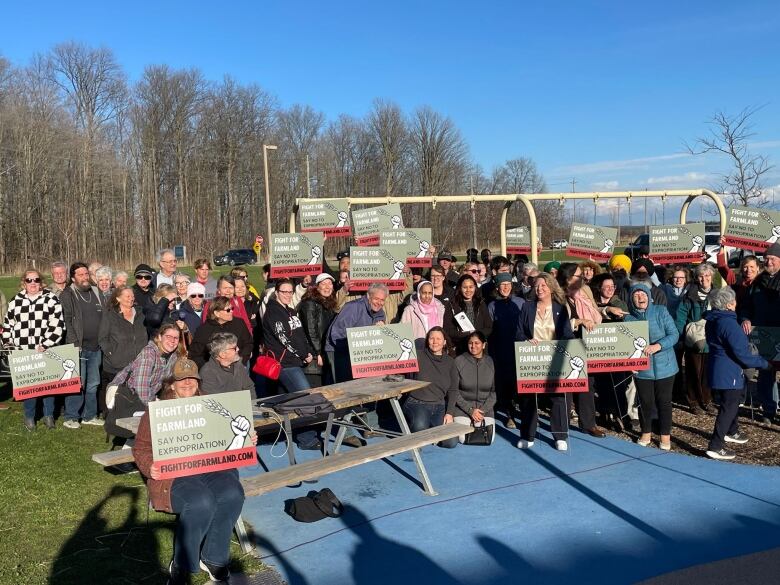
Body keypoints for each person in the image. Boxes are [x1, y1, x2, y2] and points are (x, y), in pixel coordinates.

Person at [133, 359, 250, 585]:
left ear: (198, 382)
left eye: (192, 379)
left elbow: (225, 441)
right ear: (171, 384)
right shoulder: (157, 411)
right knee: (200, 501)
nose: (187, 383)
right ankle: (182, 563)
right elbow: (141, 448)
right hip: (175, 473)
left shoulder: (209, 405)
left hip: (209, 468)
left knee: (232, 493)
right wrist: (150, 466)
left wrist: (244, 439)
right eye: (181, 379)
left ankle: (214, 558)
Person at [704, 287, 768, 460]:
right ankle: (716, 445)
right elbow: (743, 354)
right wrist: (764, 363)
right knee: (729, 406)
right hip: (730, 371)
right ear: (730, 304)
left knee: (729, 403)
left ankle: (732, 430)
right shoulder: (729, 324)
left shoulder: (713, 319)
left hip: (719, 367)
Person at [515, 272, 575, 451]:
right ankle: (527, 435)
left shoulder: (560, 308)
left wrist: (564, 343)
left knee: (558, 397)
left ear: (551, 287)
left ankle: (560, 436)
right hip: (533, 358)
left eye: (543, 286)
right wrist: (526, 340)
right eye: (537, 286)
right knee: (529, 398)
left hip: (554, 357)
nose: (540, 289)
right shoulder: (527, 307)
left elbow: (567, 334)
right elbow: (518, 332)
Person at [2, 270, 64, 430]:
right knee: (29, 388)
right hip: (24, 351)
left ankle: (49, 416)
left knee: (48, 386)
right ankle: (29, 417)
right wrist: (8, 343)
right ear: (24, 282)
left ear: (41, 281)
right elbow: (8, 324)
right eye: (29, 280)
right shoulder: (16, 301)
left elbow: (57, 325)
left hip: (45, 348)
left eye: (36, 279)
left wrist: (46, 343)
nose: (33, 283)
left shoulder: (51, 299)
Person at [262, 278, 320, 450]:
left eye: (290, 292)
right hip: (284, 364)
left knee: (287, 402)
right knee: (304, 397)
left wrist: (309, 350)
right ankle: (306, 438)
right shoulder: (273, 312)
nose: (287, 295)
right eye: (284, 292)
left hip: (295, 361)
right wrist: (302, 354)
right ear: (277, 293)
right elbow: (284, 339)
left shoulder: (290, 311)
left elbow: (300, 334)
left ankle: (281, 432)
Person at [625, 283, 679, 450]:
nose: (640, 297)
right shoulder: (628, 319)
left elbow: (674, 334)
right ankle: (646, 432)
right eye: (636, 295)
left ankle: (665, 436)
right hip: (642, 369)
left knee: (664, 402)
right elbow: (626, 345)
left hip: (666, 366)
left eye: (643, 294)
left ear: (649, 296)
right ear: (631, 299)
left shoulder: (661, 312)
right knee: (645, 402)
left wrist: (658, 346)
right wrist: (629, 363)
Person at [556, 263, 606, 438]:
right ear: (568, 278)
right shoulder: (558, 297)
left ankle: (589, 424)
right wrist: (578, 322)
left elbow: (594, 309)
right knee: (567, 386)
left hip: (587, 343)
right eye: (578, 276)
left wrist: (606, 309)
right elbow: (555, 323)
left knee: (587, 385)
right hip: (567, 344)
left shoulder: (585, 291)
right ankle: (563, 425)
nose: (583, 278)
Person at [60, 262, 107, 428]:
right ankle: (71, 417)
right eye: (80, 274)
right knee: (77, 382)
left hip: (96, 346)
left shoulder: (95, 291)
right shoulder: (68, 294)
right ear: (73, 278)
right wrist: (74, 344)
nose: (85, 277)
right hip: (78, 347)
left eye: (86, 274)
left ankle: (90, 415)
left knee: (93, 383)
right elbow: (66, 320)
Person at [741, 242, 780, 425]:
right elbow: (745, 306)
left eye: (772, 258)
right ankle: (768, 410)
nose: (768, 261)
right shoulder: (757, 282)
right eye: (766, 258)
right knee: (765, 373)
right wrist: (746, 318)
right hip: (763, 335)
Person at [403, 327, 458, 448]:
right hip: (417, 403)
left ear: (444, 342)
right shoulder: (417, 355)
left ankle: (431, 429)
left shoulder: (450, 362)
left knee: (451, 442)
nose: (435, 341)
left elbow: (453, 390)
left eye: (438, 338)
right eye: (431, 338)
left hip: (439, 406)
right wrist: (382, 331)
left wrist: (449, 413)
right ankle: (422, 426)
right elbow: (397, 354)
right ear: (427, 340)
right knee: (420, 429)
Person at [98, 286, 148, 418]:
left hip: (139, 362)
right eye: (127, 296)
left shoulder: (140, 313)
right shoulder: (110, 315)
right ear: (118, 298)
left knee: (135, 395)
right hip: (117, 364)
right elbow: (103, 338)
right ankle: (113, 418)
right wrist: (112, 355)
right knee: (117, 395)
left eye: (132, 296)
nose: (131, 298)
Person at [675, 262, 715, 415]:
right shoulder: (689, 296)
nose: (704, 279)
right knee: (693, 372)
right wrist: (680, 337)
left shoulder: (717, 294)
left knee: (708, 373)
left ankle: (707, 400)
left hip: (711, 339)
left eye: (707, 275)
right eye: (700, 276)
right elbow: (680, 317)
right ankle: (693, 401)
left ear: (711, 276)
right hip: (693, 340)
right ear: (696, 278)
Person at [325, 283, 387, 382]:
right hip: (338, 349)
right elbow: (336, 333)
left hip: (361, 354)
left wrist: (382, 332)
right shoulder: (354, 307)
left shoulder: (381, 314)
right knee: (342, 385)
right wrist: (357, 346)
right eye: (376, 299)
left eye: (382, 300)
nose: (379, 302)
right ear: (368, 296)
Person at [110, 323, 185, 405]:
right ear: (160, 337)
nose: (172, 341)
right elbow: (141, 390)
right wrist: (158, 405)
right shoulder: (149, 354)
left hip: (143, 398)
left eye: (176, 338)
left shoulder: (173, 357)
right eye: (168, 336)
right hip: (123, 395)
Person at [487, 272, 524, 428]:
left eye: (508, 284)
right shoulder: (492, 305)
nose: (505, 287)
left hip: (520, 348)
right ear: (497, 287)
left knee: (520, 384)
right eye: (502, 285)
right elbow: (490, 329)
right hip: (501, 348)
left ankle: (526, 414)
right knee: (505, 383)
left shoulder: (521, 302)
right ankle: (510, 414)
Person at [452, 331, 496, 444]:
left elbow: (494, 392)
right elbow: (454, 391)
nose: (473, 346)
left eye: (477, 343)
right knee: (463, 439)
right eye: (470, 343)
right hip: (463, 409)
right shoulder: (459, 361)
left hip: (484, 409)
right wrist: (470, 410)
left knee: (488, 439)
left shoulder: (490, 362)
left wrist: (483, 411)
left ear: (484, 345)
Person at [298, 273, 339, 387]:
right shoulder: (310, 303)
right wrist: (318, 353)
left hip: (325, 353)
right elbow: (311, 330)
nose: (327, 287)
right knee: (315, 391)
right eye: (323, 283)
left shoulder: (328, 304)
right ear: (317, 286)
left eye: (330, 283)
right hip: (314, 358)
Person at [189, 296, 252, 368]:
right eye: (228, 310)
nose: (232, 311)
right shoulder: (204, 330)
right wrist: (212, 368)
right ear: (217, 313)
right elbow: (195, 355)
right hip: (214, 373)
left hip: (238, 367)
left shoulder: (239, 323)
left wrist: (240, 361)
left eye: (232, 308)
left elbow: (248, 343)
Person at [443, 274, 493, 355]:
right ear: (459, 288)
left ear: (475, 287)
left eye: (471, 287)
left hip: (479, 349)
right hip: (460, 349)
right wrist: (467, 334)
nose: (468, 290)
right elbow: (448, 330)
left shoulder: (481, 303)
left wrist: (476, 335)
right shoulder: (452, 305)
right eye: (465, 287)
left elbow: (489, 327)